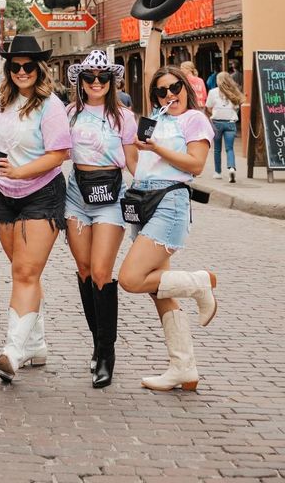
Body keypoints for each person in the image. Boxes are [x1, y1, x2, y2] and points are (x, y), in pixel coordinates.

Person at [118, 22, 216, 392]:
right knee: (161, 293)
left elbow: (195, 165)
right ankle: (183, 367)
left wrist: (156, 149)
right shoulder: (156, 118)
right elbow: (150, 65)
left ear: (186, 88)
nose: (168, 95)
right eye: (161, 92)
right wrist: (155, 26)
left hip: (170, 200)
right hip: (142, 202)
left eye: (175, 87)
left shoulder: (194, 120)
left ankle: (200, 282)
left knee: (131, 279)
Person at [0, 34, 71, 383]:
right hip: (5, 195)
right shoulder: (3, 102)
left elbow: (59, 154)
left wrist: (20, 170)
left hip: (42, 194)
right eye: (15, 66)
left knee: (24, 273)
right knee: (24, 271)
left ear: (39, 68)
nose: (21, 71)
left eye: (28, 66)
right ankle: (36, 344)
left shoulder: (51, 106)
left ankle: (13, 350)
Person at [65, 50, 138, 388]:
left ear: (111, 82)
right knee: (83, 269)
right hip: (77, 193)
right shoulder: (69, 113)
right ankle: (98, 344)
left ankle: (106, 353)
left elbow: (134, 161)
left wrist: (153, 190)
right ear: (80, 81)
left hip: (111, 192)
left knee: (100, 271)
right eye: (89, 77)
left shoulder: (124, 117)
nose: (95, 82)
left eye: (102, 77)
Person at [206, 72, 246, 182]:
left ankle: (218, 172)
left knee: (217, 149)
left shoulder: (213, 92)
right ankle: (232, 168)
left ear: (218, 81)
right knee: (230, 148)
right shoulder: (234, 92)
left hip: (217, 123)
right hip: (230, 123)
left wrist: (215, 112)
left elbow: (208, 107)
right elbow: (237, 108)